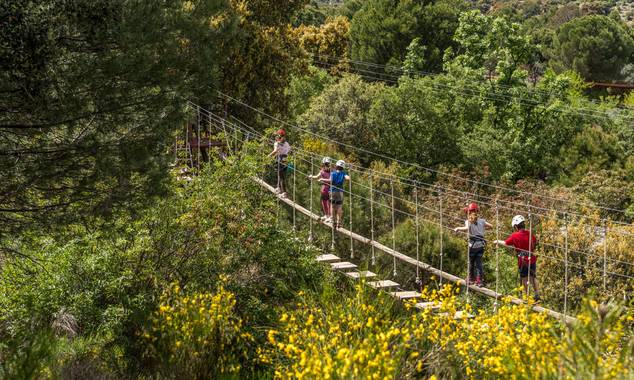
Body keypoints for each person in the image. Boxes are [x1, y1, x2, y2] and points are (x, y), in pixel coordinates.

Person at [494, 215, 541, 301]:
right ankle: (537, 294)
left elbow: (505, 243)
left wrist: (497, 241)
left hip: (522, 260)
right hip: (532, 258)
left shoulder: (515, 235)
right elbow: (534, 242)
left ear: (516, 226)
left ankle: (527, 297)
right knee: (533, 277)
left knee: (524, 278)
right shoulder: (530, 233)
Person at [453, 203, 492, 286]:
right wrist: (483, 229)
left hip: (473, 246)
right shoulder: (482, 221)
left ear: (468, 212)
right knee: (479, 263)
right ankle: (479, 280)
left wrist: (458, 228)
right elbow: (491, 226)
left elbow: (466, 228)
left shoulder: (468, 221)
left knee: (471, 262)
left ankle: (471, 278)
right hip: (481, 245)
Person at [319, 159, 349, 229]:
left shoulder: (333, 173)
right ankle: (339, 222)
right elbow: (347, 178)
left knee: (332, 206)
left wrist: (322, 179)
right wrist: (347, 177)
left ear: (336, 166)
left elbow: (330, 180)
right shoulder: (343, 173)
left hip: (332, 191)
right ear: (343, 167)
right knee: (339, 207)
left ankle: (333, 220)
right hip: (340, 192)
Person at [268, 129, 291, 197]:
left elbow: (275, 151)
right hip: (286, 160)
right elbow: (288, 150)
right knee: (281, 175)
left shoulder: (277, 143)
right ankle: (279, 188)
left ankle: (284, 192)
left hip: (280, 160)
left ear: (278, 136)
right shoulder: (287, 143)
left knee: (281, 177)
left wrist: (269, 156)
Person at [309, 156, 332, 222]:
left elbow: (331, 180)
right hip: (324, 189)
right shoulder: (322, 171)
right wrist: (311, 177)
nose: (327, 166)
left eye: (328, 164)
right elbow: (316, 177)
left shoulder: (332, 172)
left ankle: (330, 216)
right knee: (324, 202)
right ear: (323, 164)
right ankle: (327, 215)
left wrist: (322, 179)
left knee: (329, 203)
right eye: (326, 164)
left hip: (329, 189)